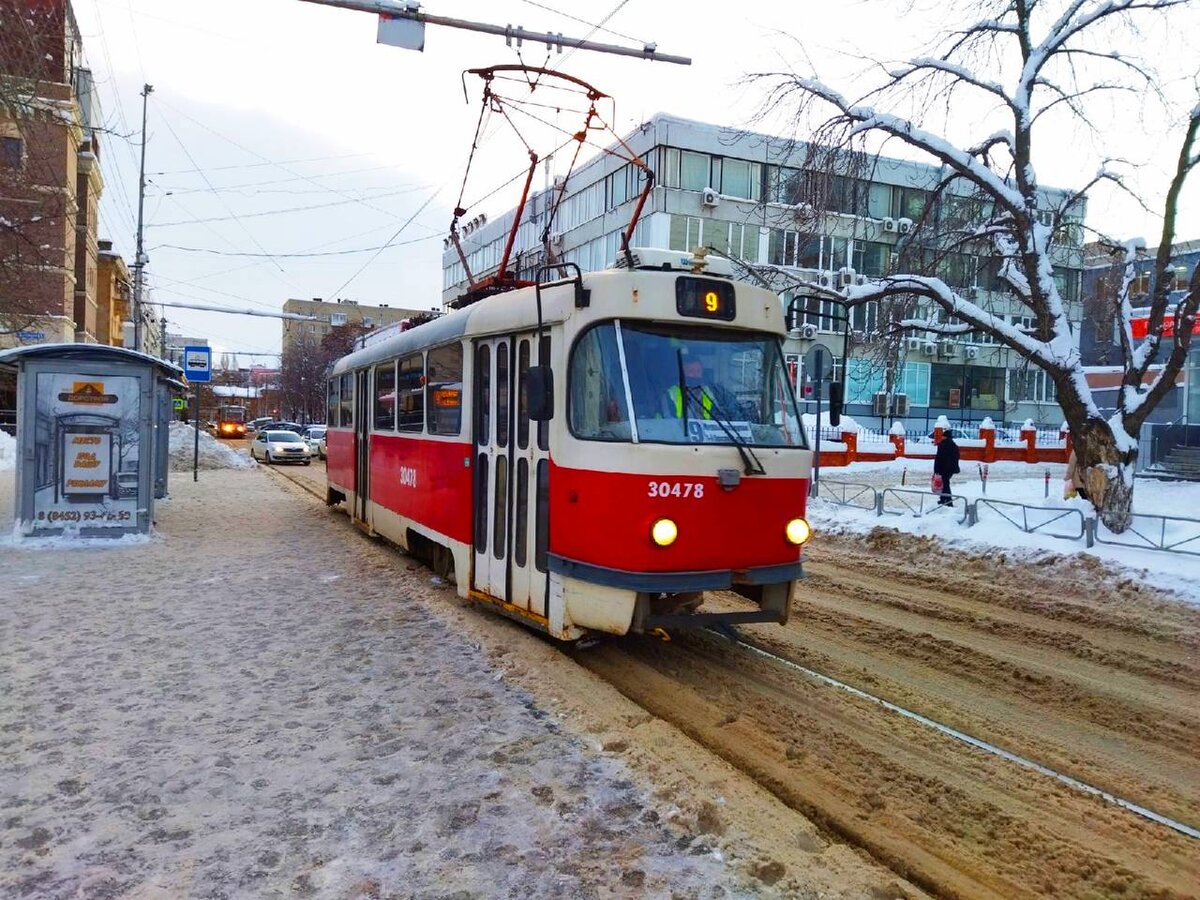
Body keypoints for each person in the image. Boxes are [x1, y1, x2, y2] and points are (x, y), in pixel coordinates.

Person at [934, 428, 961, 506]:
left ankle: (948, 501)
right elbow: (956, 457)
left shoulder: (943, 445)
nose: (942, 437)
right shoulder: (954, 445)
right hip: (951, 468)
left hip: (944, 468)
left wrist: (937, 469)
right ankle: (944, 499)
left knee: (945, 485)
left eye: (943, 436)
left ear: (945, 437)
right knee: (945, 484)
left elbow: (939, 458)